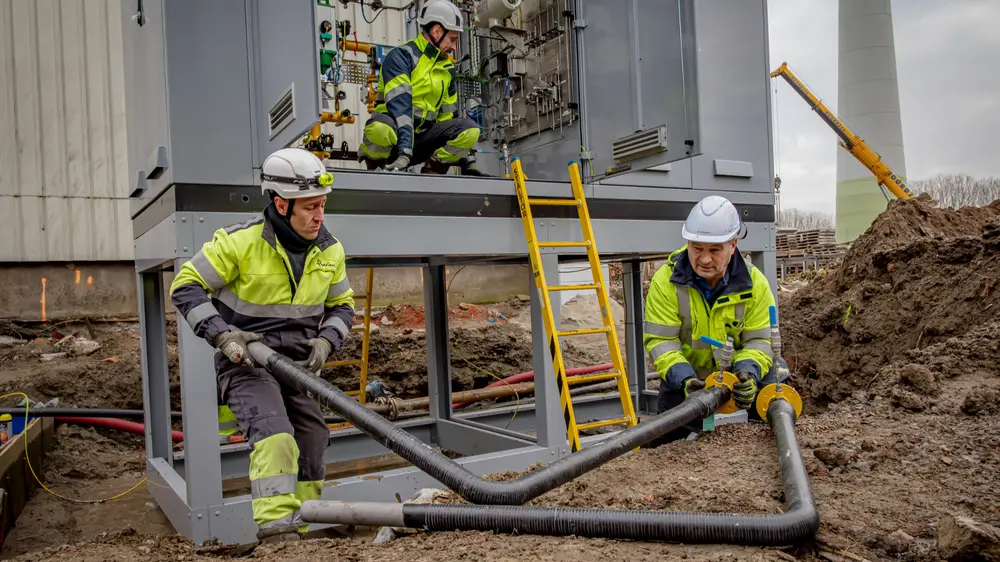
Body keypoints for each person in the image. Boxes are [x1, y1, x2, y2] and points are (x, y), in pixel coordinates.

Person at [169, 148, 355, 543]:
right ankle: (276, 533)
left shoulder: (330, 249)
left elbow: (343, 306)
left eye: (322, 205)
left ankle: (301, 523)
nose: (319, 216)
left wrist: (325, 342)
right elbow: (185, 285)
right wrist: (223, 335)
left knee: (313, 437)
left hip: (298, 364)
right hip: (247, 363)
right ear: (280, 202)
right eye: (310, 207)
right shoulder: (239, 243)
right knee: (275, 436)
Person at [643, 195, 777, 442]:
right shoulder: (665, 282)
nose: (704, 259)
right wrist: (685, 380)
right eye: (697, 248)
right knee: (666, 447)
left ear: (733, 245)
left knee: (769, 410)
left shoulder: (755, 284)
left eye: (715, 250)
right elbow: (661, 341)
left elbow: (759, 340)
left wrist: (747, 372)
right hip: (687, 375)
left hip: (739, 374)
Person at [357, 0, 487, 176]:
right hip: (394, 143)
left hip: (422, 141)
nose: (454, 47)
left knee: (470, 129)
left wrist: (468, 162)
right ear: (436, 32)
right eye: (453, 39)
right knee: (380, 128)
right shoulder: (401, 57)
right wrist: (404, 154)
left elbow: (448, 118)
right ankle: (377, 170)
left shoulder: (448, 70)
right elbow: (401, 109)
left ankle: (433, 169)